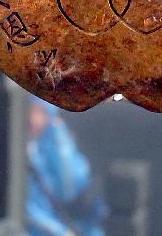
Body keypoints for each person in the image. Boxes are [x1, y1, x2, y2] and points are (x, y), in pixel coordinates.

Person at [27, 100, 107, 236]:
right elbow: (26, 207)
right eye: (32, 111)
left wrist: (59, 135)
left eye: (42, 112)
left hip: (77, 226)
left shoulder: (55, 143)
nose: (36, 119)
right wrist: (60, 232)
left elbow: (70, 189)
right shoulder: (21, 151)